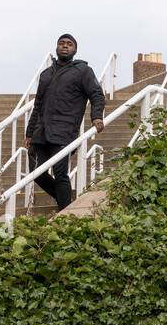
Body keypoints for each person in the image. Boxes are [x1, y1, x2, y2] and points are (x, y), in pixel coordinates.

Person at [25, 33, 106, 209]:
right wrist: (29, 133)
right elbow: (37, 105)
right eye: (62, 43)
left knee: (60, 173)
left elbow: (96, 94)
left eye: (69, 44)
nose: (65, 46)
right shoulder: (46, 74)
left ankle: (65, 211)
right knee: (35, 173)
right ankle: (68, 203)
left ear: (74, 50)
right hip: (42, 132)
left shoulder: (82, 71)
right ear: (56, 47)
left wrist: (97, 116)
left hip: (64, 132)